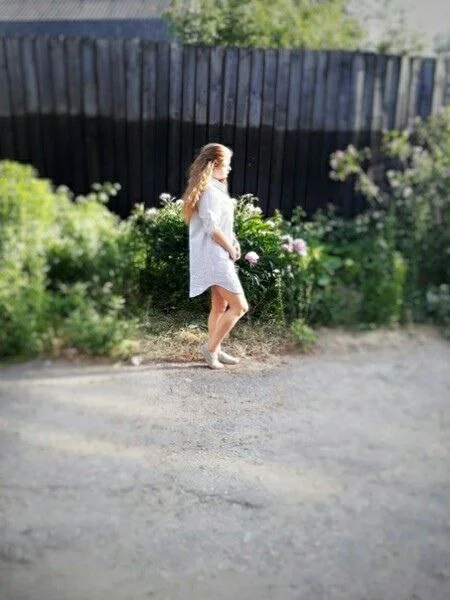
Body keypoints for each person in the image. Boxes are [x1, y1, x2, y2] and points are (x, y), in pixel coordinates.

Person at [183, 143, 249, 370]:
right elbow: (211, 228)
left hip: (218, 253)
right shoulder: (210, 191)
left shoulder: (215, 188)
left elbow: (222, 224)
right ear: (214, 165)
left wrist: (234, 241)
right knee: (240, 307)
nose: (229, 169)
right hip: (215, 256)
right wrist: (230, 248)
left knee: (220, 306)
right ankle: (210, 349)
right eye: (227, 164)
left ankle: (216, 349)